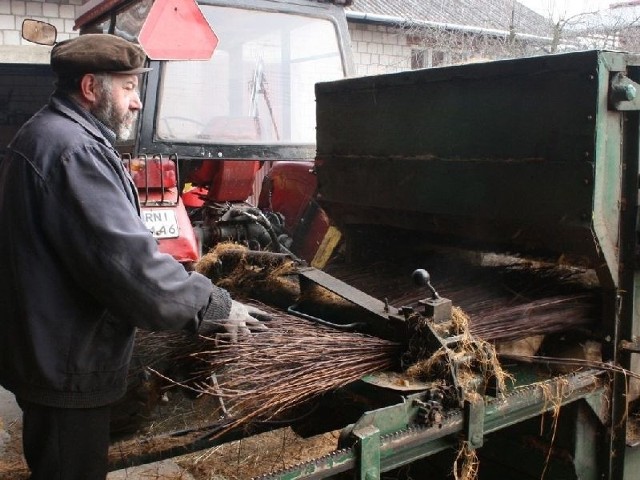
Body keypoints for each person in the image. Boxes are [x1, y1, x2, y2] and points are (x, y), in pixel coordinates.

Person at [0, 34, 267, 480]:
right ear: (90, 87)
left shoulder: (56, 135)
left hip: (51, 351)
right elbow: (127, 264)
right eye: (128, 87)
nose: (137, 101)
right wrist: (213, 305)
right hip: (66, 362)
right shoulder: (73, 151)